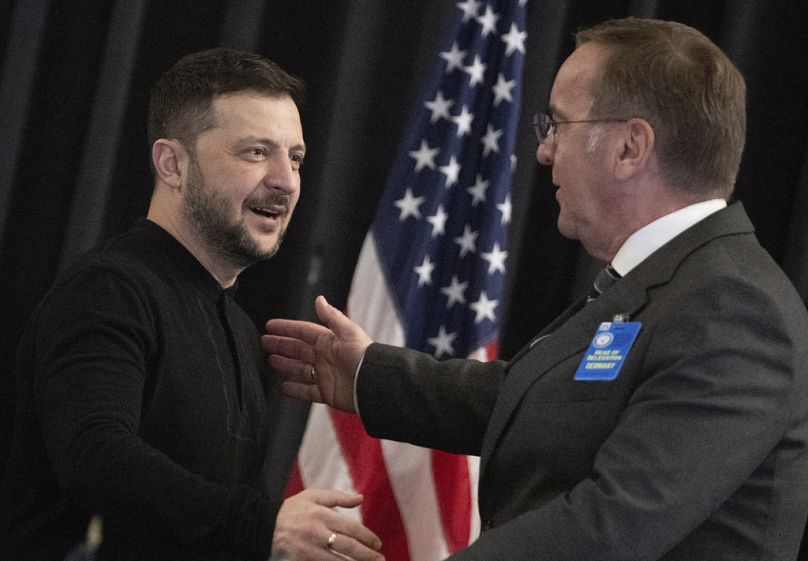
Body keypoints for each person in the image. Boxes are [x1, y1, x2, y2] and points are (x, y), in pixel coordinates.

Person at [262, 18, 808, 561]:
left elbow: (611, 525)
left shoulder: (734, 308)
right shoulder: (671, 279)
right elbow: (543, 400)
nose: (544, 151)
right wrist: (367, 375)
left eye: (560, 124)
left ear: (629, 148)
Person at [0, 48, 382, 561]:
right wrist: (260, 527)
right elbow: (93, 455)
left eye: (295, 157)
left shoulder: (243, 329)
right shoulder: (110, 290)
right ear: (172, 163)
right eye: (255, 152)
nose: (286, 181)